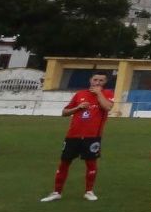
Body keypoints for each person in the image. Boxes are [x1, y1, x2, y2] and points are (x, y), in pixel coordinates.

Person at [41, 71, 114, 203]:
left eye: (101, 81)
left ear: (105, 82)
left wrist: (98, 93)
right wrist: (78, 108)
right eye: (95, 80)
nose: (97, 83)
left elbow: (108, 107)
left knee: (91, 164)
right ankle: (57, 192)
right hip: (73, 135)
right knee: (64, 163)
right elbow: (64, 112)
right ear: (90, 80)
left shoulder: (107, 94)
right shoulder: (80, 94)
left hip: (92, 137)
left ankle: (89, 191)